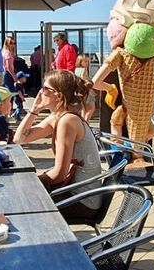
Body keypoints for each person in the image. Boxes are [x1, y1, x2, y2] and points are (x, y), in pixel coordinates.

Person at [14, 70, 102, 217]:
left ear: (59, 95)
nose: (40, 92)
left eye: (45, 89)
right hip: (70, 191)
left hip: (82, 200)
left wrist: (30, 182)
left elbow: (60, 175)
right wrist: (35, 110)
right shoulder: (58, 117)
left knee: (20, 204)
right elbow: (19, 139)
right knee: (18, 199)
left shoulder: (67, 121)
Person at [74, 55, 96, 121]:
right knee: (91, 108)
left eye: (88, 61)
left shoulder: (76, 69)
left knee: (83, 108)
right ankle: (85, 122)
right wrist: (90, 89)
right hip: (86, 90)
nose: (87, 63)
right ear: (80, 62)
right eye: (85, 61)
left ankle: (82, 122)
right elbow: (83, 78)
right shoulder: (84, 69)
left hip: (80, 90)